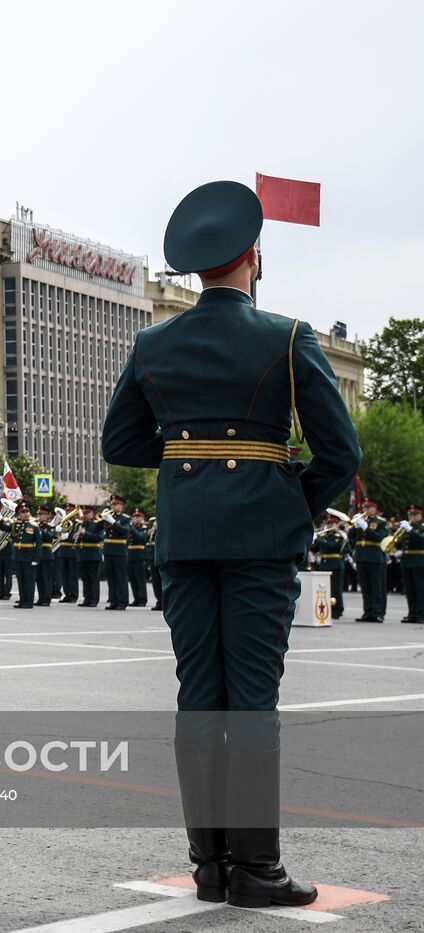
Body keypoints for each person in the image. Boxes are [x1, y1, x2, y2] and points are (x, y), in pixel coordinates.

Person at [103, 179, 359, 908]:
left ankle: (209, 865)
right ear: (253, 256)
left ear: (195, 266)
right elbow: (341, 452)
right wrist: (287, 503)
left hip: (184, 536)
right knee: (251, 702)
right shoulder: (285, 335)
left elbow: (119, 439)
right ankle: (257, 868)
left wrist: (192, 462)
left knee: (199, 700)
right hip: (259, 540)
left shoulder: (155, 341)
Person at [350, 498, 389, 622]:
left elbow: (380, 538)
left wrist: (366, 528)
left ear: (375, 509)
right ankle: (367, 612)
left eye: (370, 507)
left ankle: (378, 613)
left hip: (375, 558)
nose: (366, 509)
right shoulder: (361, 522)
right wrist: (354, 526)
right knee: (365, 587)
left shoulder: (382, 522)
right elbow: (350, 538)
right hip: (361, 558)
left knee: (376, 588)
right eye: (365, 507)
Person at [309, 514, 348, 620]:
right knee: (325, 590)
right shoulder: (324, 536)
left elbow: (331, 546)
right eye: (328, 523)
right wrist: (311, 540)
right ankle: (328, 609)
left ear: (336, 524)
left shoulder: (339, 536)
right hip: (324, 564)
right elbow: (314, 549)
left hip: (335, 564)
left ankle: (337, 610)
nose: (329, 525)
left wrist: (317, 540)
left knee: (336, 589)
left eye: (332, 523)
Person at [9, 501, 40, 609]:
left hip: (29, 557)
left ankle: (29, 601)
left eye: (27, 511)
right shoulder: (16, 526)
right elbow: (5, 529)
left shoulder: (34, 526)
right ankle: (22, 600)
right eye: (23, 512)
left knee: (29, 581)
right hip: (18, 557)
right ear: (19, 514)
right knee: (21, 581)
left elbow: (38, 545)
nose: (25, 514)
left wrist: (36, 559)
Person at [75, 505, 104, 606]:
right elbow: (75, 540)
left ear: (92, 514)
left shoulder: (97, 525)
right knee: (85, 579)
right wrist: (76, 536)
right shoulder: (80, 525)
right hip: (82, 555)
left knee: (94, 579)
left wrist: (85, 533)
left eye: (87, 513)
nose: (85, 515)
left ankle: (94, 600)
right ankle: (87, 598)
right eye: (84, 513)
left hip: (93, 555)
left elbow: (99, 538)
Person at [399, 505, 424, 623]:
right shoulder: (407, 528)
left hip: (419, 561)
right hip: (407, 561)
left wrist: (410, 530)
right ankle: (412, 613)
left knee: (420, 589)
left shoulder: (422, 528)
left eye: (415, 515)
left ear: (420, 516)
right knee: (410, 590)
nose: (412, 517)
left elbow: (421, 540)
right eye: (410, 515)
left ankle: (421, 614)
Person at [127, 508, 151, 607]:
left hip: (140, 556)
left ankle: (142, 599)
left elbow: (140, 537)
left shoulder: (144, 528)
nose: (136, 518)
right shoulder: (131, 528)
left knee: (140, 579)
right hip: (130, 555)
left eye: (138, 516)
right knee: (132, 579)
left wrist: (131, 528)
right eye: (135, 516)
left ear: (142, 518)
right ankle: (136, 598)